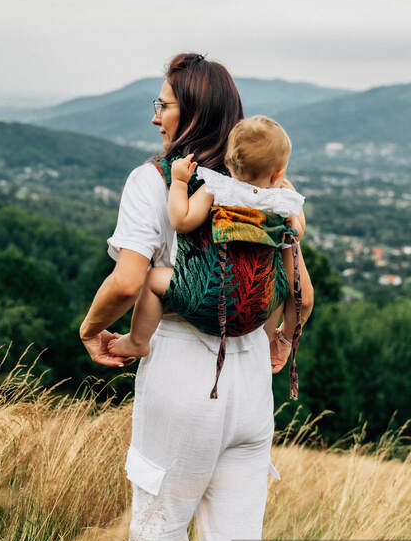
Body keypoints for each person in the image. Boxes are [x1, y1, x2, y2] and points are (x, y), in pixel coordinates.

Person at [79, 53, 314, 541]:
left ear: (190, 113)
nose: (154, 117)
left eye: (161, 105)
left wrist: (91, 328)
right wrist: (284, 339)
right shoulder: (266, 190)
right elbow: (300, 293)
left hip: (184, 374)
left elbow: (131, 279)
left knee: (158, 539)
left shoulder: (156, 181)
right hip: (252, 379)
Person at [107, 116, 306, 403]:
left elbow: (182, 220)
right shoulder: (280, 202)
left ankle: (137, 341)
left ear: (228, 161)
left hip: (208, 297)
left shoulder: (217, 188)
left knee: (153, 279)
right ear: (278, 173)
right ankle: (262, 341)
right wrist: (290, 200)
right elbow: (295, 232)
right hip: (255, 311)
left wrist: (178, 182)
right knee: (276, 281)